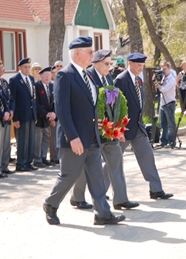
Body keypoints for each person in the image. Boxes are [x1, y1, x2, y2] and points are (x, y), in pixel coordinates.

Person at [43, 36, 125, 225]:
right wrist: (73, 137)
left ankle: (103, 213)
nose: (92, 55)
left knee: (96, 176)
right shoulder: (65, 75)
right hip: (75, 139)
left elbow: (91, 106)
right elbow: (62, 110)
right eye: (90, 51)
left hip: (92, 137)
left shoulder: (87, 75)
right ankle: (50, 204)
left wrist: (99, 124)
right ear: (77, 53)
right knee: (69, 175)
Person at [70, 49, 139, 210]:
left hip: (109, 131)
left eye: (110, 63)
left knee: (116, 161)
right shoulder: (87, 76)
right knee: (84, 165)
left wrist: (118, 129)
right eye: (106, 64)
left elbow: (112, 104)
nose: (110, 67)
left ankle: (121, 199)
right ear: (96, 63)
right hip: (92, 130)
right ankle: (77, 196)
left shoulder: (108, 77)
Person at [115, 52, 173, 200]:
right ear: (130, 64)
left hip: (138, 127)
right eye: (138, 65)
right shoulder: (121, 80)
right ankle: (99, 190)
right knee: (113, 160)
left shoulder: (138, 80)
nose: (141, 68)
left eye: (142, 65)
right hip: (124, 128)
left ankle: (156, 190)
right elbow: (115, 106)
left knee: (147, 156)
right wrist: (117, 129)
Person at [9, 58, 38, 172]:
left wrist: (35, 115)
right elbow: (13, 99)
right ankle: (21, 163)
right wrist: (15, 118)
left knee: (30, 140)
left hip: (30, 114)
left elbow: (33, 98)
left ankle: (28, 162)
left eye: (28, 67)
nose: (27, 69)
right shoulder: (15, 80)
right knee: (22, 140)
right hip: (21, 115)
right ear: (19, 68)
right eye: (25, 67)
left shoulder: (31, 78)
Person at [0, 58, 15, 174]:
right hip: (0, 117)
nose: (2, 69)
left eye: (3, 67)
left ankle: (5, 166)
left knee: (6, 143)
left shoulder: (4, 82)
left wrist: (11, 110)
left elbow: (10, 98)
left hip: (8, 116)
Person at [34, 66, 56, 168]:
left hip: (48, 117)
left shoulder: (51, 86)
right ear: (40, 76)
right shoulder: (36, 86)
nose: (47, 77)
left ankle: (43, 157)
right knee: (38, 139)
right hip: (39, 116)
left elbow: (54, 102)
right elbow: (36, 103)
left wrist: (53, 114)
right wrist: (46, 114)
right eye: (45, 75)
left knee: (47, 137)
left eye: (49, 75)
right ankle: (37, 159)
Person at [154, 62, 177, 148]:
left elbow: (163, 89)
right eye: (162, 69)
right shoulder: (163, 78)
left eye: (165, 69)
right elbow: (159, 89)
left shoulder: (172, 79)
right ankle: (164, 141)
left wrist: (157, 84)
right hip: (163, 103)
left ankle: (172, 142)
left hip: (170, 103)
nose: (163, 71)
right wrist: (156, 80)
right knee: (163, 124)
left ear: (169, 68)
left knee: (171, 124)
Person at [49, 60, 64, 165]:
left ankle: (60, 155)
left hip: (63, 114)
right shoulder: (50, 84)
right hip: (55, 114)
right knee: (54, 137)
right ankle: (55, 157)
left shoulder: (64, 81)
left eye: (60, 66)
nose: (58, 68)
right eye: (56, 66)